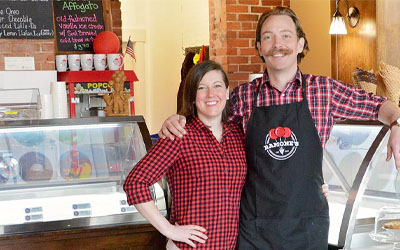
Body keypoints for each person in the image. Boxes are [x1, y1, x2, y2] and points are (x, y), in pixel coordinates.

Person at [158, 6, 400, 250]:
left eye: (286, 35)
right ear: (259, 48)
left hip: (307, 227)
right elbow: (206, 127)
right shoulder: (242, 98)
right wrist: (178, 120)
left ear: (299, 44)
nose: (277, 44)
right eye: (268, 37)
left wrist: (396, 123)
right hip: (255, 230)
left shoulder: (324, 91)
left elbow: (379, 106)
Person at [123, 60, 247, 249]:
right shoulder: (179, 135)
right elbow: (135, 183)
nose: (211, 94)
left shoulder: (238, 135)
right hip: (188, 247)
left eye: (217, 86)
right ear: (192, 96)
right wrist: (169, 230)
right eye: (202, 88)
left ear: (227, 92)